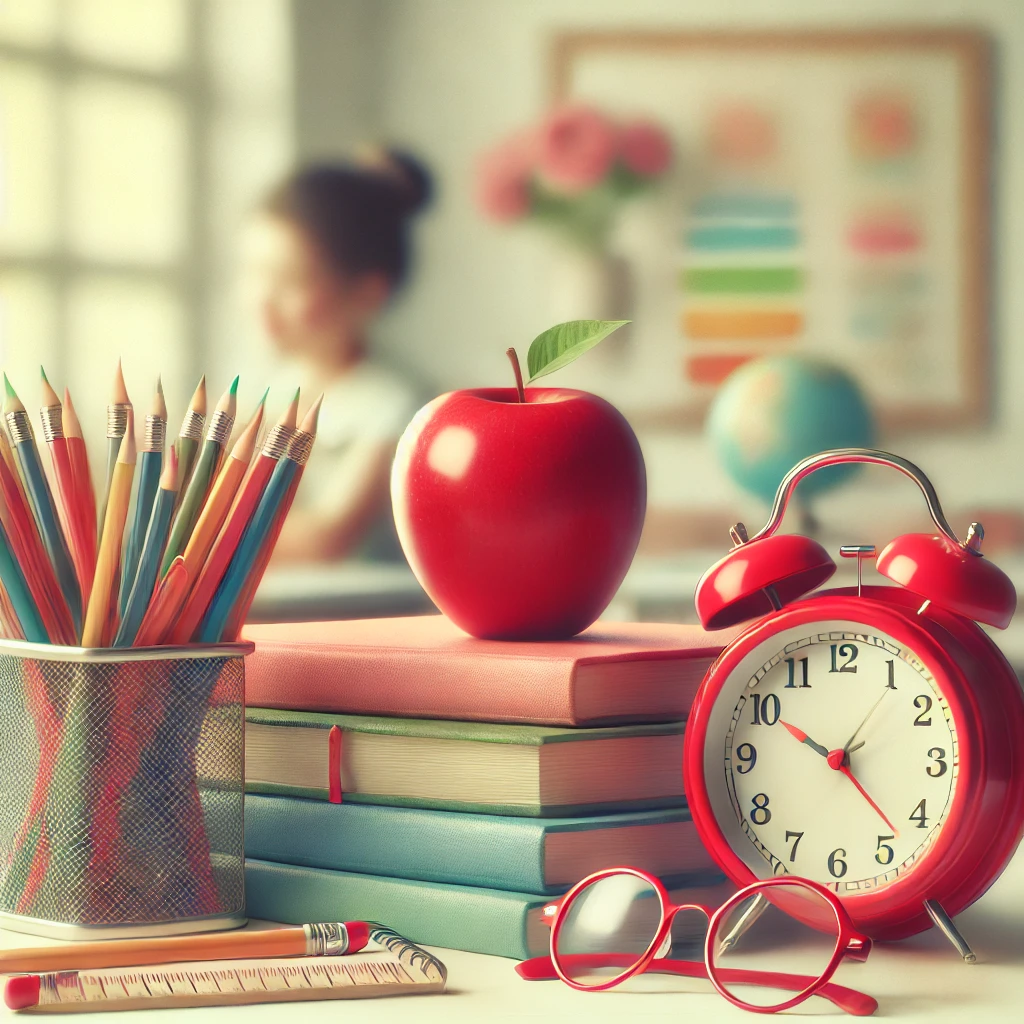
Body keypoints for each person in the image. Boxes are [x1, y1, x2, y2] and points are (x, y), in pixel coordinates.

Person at [243, 148, 431, 561]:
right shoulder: (268, 386)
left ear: (368, 291)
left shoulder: (395, 407)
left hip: (360, 613)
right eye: (256, 273)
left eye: (290, 281)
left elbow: (326, 538)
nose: (263, 300)